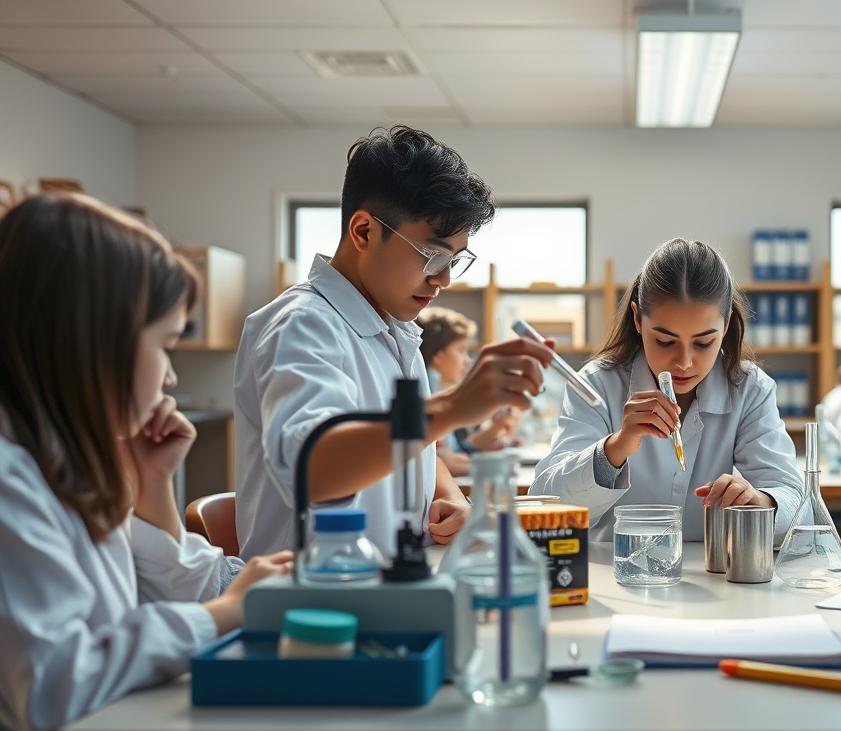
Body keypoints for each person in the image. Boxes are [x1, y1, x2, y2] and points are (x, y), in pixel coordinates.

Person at [0, 194, 293, 731]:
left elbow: (149, 586)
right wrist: (221, 615)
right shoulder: (10, 481)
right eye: (165, 344)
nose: (172, 373)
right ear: (93, 345)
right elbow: (57, 689)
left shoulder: (60, 461)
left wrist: (154, 482)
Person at [233, 125, 553, 558]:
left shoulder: (397, 333)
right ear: (364, 231)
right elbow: (315, 471)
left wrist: (452, 497)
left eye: (455, 261)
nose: (443, 279)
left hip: (390, 590)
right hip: (317, 608)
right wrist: (453, 407)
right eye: (432, 255)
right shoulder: (301, 326)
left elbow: (414, 448)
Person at [531, 238, 804, 543]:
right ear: (637, 319)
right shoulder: (596, 384)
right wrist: (617, 447)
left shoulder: (750, 389)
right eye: (664, 341)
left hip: (710, 579)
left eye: (703, 343)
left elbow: (794, 501)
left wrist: (760, 501)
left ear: (725, 327)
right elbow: (547, 504)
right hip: (615, 576)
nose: (684, 363)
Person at [414, 306, 520, 476]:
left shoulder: (436, 389)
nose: (467, 360)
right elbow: (447, 460)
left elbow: (457, 451)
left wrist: (495, 429)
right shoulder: (425, 395)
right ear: (437, 355)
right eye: (461, 350)